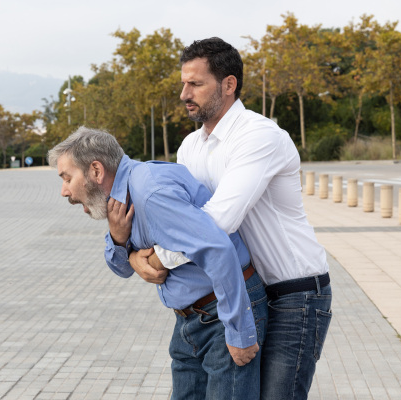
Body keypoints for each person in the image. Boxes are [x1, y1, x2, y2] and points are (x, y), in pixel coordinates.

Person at [121, 37, 333, 400]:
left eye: (196, 84)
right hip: (247, 293)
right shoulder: (191, 146)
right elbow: (178, 220)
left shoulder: (258, 136)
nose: (185, 93)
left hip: (294, 294)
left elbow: (218, 222)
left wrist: (153, 260)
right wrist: (130, 254)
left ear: (229, 84)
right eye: (183, 84)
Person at [48, 126, 267, 399]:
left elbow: (218, 249)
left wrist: (239, 331)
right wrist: (119, 240)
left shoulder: (150, 191)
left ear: (95, 170)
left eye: (67, 178)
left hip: (223, 314)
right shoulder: (121, 196)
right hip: (190, 322)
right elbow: (122, 269)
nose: (63, 191)